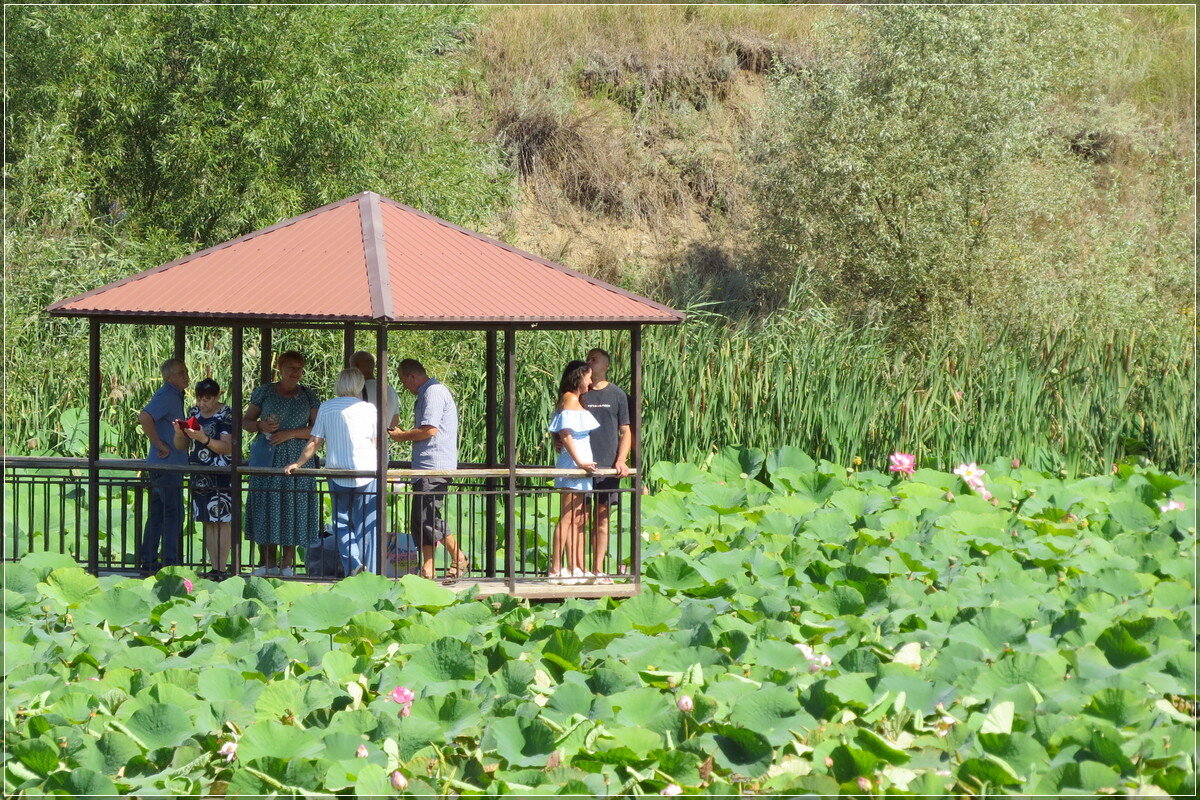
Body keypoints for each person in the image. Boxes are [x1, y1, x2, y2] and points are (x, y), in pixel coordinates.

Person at [286, 369, 378, 577]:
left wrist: (298, 463)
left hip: (337, 472)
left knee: (341, 522)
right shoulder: (369, 409)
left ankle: (352, 563)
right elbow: (376, 442)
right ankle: (371, 572)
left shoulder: (327, 408)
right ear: (359, 385)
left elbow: (315, 441)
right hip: (368, 471)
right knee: (367, 525)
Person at [388, 359, 468, 582]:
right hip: (425, 467)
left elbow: (429, 430)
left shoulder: (433, 392)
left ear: (411, 377)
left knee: (429, 517)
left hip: (434, 466)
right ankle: (428, 568)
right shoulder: (427, 393)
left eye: (404, 382)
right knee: (420, 519)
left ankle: (459, 557)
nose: (405, 388)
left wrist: (401, 436)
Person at [242, 350, 320, 577]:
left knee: (293, 507)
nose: (296, 373)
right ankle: (267, 561)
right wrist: (260, 426)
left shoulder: (308, 395)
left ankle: (288, 563)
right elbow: (245, 421)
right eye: (291, 368)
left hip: (297, 459)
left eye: (299, 368)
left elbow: (317, 431)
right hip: (266, 456)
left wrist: (290, 434)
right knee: (265, 504)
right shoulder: (265, 392)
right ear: (280, 368)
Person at [581, 348, 632, 585]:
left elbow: (626, 431)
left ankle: (598, 569)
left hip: (607, 466)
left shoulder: (618, 394)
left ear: (606, 365)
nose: (589, 362)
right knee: (579, 518)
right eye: (588, 359)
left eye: (594, 359)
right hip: (581, 466)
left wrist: (621, 460)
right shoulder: (581, 392)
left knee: (602, 519)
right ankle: (578, 568)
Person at [174, 378, 233, 580]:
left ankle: (223, 568)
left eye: (207, 399)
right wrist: (180, 434)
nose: (202, 403)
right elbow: (182, 446)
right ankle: (214, 567)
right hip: (199, 473)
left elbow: (228, 447)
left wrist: (203, 438)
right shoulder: (194, 413)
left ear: (217, 396)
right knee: (207, 520)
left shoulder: (228, 414)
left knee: (222, 520)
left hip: (222, 474)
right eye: (199, 399)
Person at [547, 360, 599, 585]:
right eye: (588, 376)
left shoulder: (577, 400)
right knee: (567, 517)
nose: (590, 381)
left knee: (578, 517)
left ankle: (573, 566)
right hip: (573, 463)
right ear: (579, 377)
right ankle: (555, 568)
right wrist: (579, 461)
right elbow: (565, 433)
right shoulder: (569, 398)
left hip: (582, 463)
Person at [136, 358, 189, 574]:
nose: (186, 375)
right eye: (180, 373)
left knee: (159, 513)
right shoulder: (167, 395)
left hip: (164, 465)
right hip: (167, 466)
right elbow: (144, 416)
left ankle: (149, 561)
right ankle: (170, 563)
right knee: (173, 513)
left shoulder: (173, 395)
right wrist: (158, 443)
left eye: (186, 371)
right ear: (169, 377)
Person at [349, 351, 400, 431]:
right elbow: (394, 423)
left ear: (354, 367)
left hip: (359, 441)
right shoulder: (390, 390)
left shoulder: (355, 390)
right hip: (382, 441)